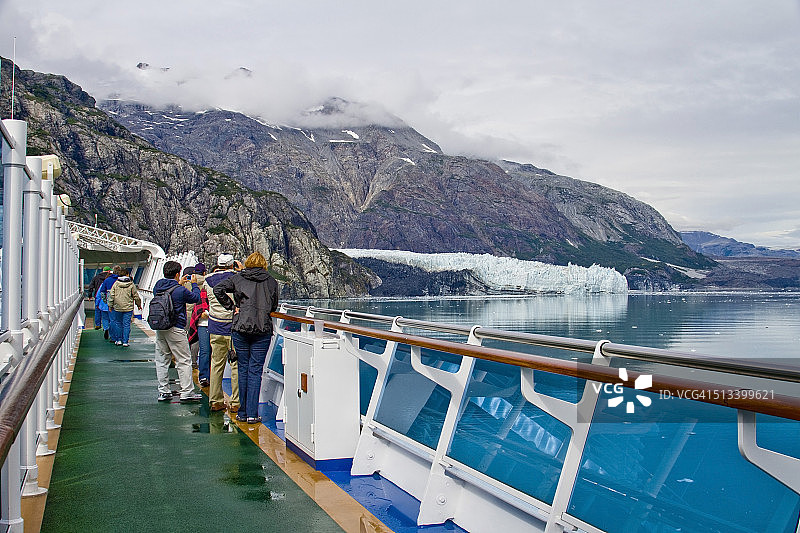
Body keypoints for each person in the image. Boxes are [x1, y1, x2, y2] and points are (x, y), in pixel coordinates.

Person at [213, 252, 279, 423]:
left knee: (243, 369)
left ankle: (242, 413)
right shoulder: (271, 281)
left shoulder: (238, 278)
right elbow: (274, 305)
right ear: (264, 264)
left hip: (240, 328)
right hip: (262, 329)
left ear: (247, 263)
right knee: (255, 371)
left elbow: (218, 289)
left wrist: (231, 306)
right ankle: (252, 414)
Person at [151, 260, 203, 403]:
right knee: (184, 360)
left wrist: (177, 283)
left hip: (161, 328)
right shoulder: (180, 290)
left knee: (162, 359)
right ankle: (187, 392)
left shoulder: (158, 286)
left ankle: (163, 391)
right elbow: (196, 298)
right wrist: (194, 284)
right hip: (176, 328)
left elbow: (170, 292)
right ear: (177, 273)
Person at [202, 254, 240, 412]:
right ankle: (236, 402)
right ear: (232, 265)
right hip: (233, 327)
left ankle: (215, 400)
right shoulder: (237, 279)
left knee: (217, 364)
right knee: (236, 365)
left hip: (215, 327)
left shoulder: (208, 280)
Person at [107, 271, 142, 347]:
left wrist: (110, 305)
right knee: (126, 325)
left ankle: (119, 340)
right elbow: (135, 296)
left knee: (118, 324)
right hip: (128, 308)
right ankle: (125, 341)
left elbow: (111, 296)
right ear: (127, 275)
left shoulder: (116, 284)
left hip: (117, 307)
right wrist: (138, 304)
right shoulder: (131, 284)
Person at [98, 265, 123, 340]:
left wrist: (106, 301)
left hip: (108, 304)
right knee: (119, 321)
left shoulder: (107, 281)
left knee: (108, 319)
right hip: (120, 303)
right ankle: (120, 337)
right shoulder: (121, 280)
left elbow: (101, 293)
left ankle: (109, 332)